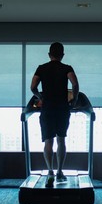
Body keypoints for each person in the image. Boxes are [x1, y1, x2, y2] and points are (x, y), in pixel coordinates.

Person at [30, 42, 79, 187]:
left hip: (48, 107)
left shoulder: (41, 68)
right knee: (61, 140)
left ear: (49, 54)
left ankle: (50, 172)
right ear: (62, 55)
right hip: (62, 107)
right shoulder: (67, 68)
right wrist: (74, 99)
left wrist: (40, 97)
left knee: (48, 141)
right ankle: (60, 172)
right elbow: (75, 84)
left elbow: (33, 87)